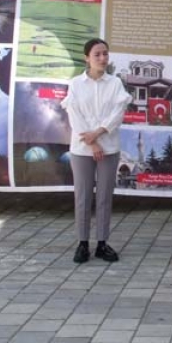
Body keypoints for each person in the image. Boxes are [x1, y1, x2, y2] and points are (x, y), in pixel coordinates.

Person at [61, 38, 132, 264]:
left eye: (105, 54)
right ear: (87, 58)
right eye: (97, 54)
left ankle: (102, 243)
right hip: (82, 149)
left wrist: (99, 133)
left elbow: (118, 113)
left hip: (108, 148)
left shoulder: (115, 83)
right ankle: (82, 243)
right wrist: (91, 142)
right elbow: (74, 114)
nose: (102, 58)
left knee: (104, 197)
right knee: (82, 197)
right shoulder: (75, 84)